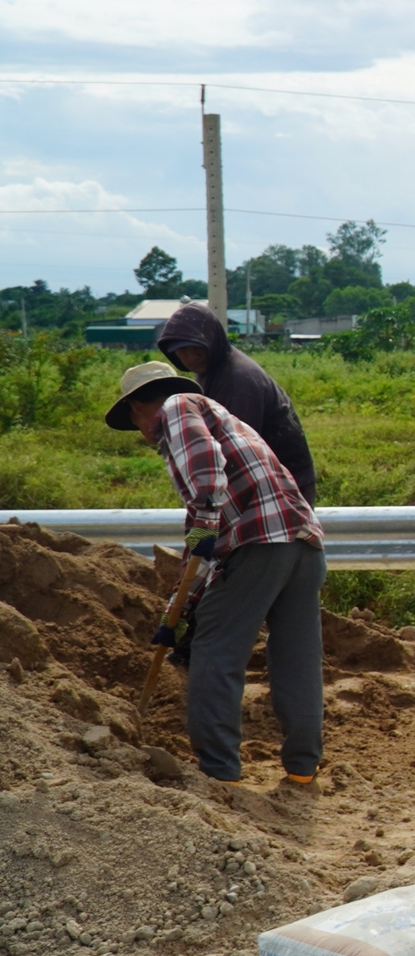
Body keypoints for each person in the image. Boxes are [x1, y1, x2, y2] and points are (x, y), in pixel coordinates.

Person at [105, 362, 327, 794]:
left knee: (215, 651)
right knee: (297, 659)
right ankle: (302, 769)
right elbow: (200, 549)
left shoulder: (177, 405)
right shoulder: (224, 421)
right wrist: (178, 612)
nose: (142, 434)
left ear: (137, 408)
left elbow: (207, 492)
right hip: (302, 543)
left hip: (258, 543)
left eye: (134, 422)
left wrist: (205, 520)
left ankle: (218, 771)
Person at [156, 302, 319, 504]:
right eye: (182, 351)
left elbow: (236, 451)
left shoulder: (238, 381)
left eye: (196, 348)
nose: (191, 356)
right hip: (263, 476)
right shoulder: (210, 370)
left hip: (285, 484)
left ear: (212, 341)